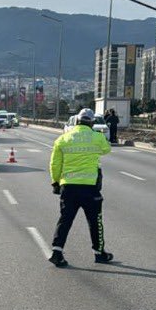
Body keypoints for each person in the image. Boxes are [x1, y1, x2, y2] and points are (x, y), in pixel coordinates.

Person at [48, 108, 114, 268]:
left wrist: (55, 182)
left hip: (68, 187)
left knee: (65, 220)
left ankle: (57, 252)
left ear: (77, 121)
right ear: (91, 123)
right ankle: (99, 253)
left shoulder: (63, 139)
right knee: (95, 221)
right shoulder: (97, 137)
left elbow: (54, 164)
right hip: (90, 188)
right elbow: (107, 149)